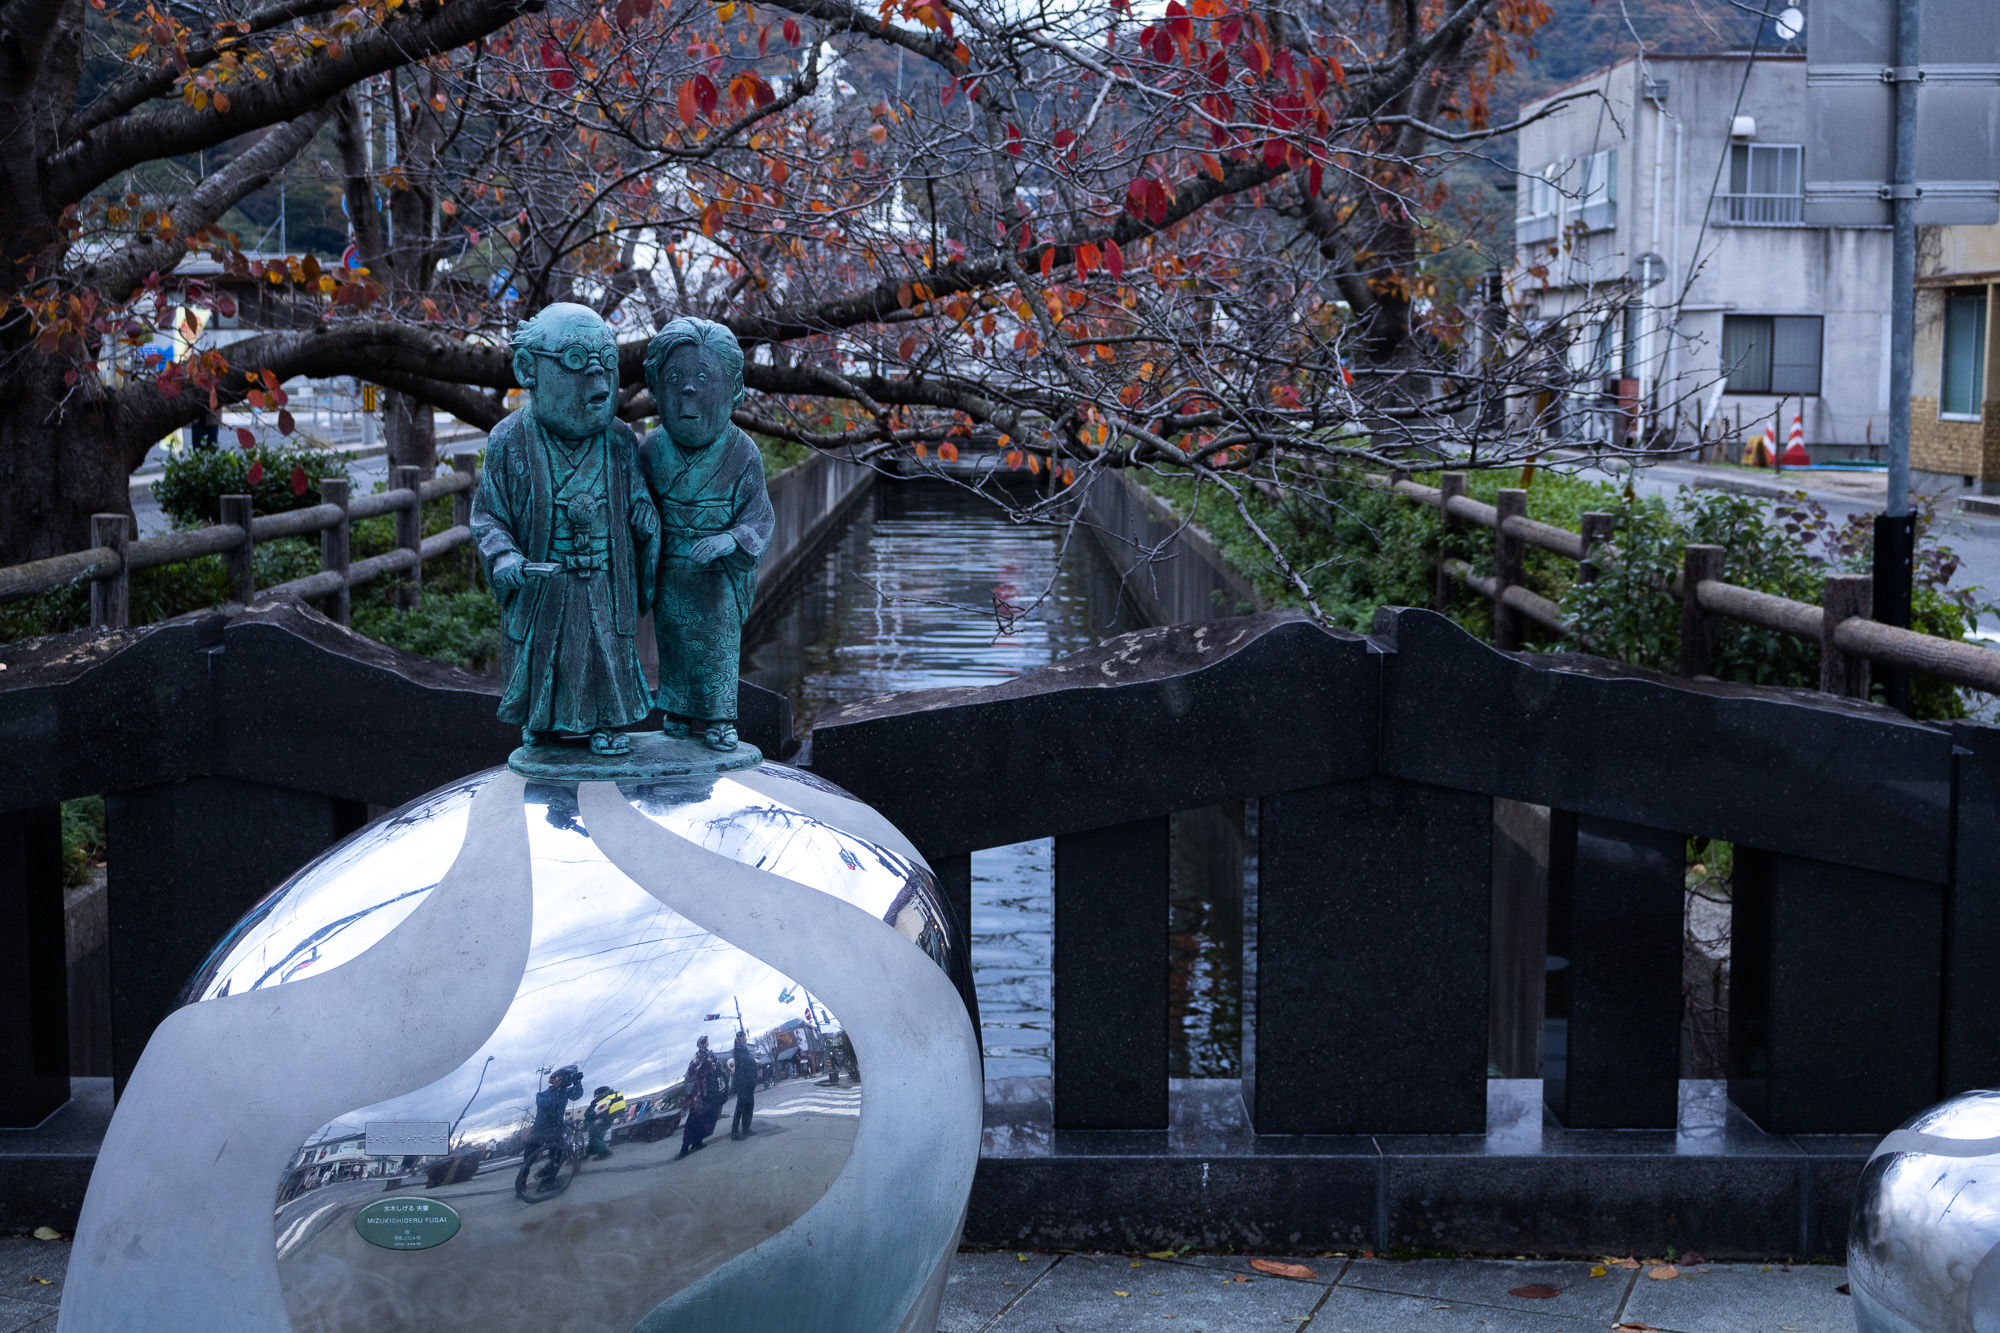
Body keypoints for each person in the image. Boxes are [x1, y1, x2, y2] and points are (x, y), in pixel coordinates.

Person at [472, 302, 660, 757]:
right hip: (545, 578)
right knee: (546, 650)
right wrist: (504, 556)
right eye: (576, 361)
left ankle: (607, 722)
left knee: (605, 650)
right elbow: (488, 515)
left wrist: (644, 516)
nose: (598, 380)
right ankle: (540, 724)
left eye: (607, 363)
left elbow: (637, 494)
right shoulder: (509, 440)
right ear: (528, 369)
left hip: (603, 574)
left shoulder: (619, 440)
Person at [639, 318, 775, 753]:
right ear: (654, 387)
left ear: (734, 390)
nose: (688, 391)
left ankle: (718, 717)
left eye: (703, 378)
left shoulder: (742, 451)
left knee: (717, 647)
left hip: (717, 577)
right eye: (674, 379)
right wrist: (643, 520)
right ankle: (676, 712)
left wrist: (729, 540)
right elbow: (636, 502)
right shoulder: (650, 449)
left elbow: (759, 516)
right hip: (670, 570)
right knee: (673, 646)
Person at [528, 1066, 583, 1189]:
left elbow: (577, 1095)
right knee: (529, 1159)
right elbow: (547, 1104)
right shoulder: (542, 1095)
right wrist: (561, 1092)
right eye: (560, 1076)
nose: (563, 1079)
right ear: (552, 1081)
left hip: (556, 1128)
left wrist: (577, 1082)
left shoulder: (565, 1091)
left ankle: (548, 1179)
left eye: (565, 1076)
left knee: (559, 1154)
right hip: (541, 1129)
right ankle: (521, 1185)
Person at [677, 1035, 722, 1159]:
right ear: (702, 1043)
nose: (708, 1042)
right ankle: (685, 1147)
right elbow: (694, 1072)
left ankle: (697, 1142)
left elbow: (714, 1070)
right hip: (698, 1094)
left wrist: (714, 1061)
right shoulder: (697, 1057)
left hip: (708, 1092)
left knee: (705, 1117)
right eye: (706, 1041)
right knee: (693, 1119)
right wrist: (707, 1061)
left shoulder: (709, 1054)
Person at [729, 1032, 758, 1139]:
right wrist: (754, 1060)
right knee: (741, 1106)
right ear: (740, 1037)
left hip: (748, 1081)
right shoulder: (739, 1049)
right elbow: (745, 1061)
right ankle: (735, 1132)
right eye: (744, 1036)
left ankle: (746, 1129)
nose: (746, 1038)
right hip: (743, 1082)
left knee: (749, 1105)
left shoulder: (743, 1048)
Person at [585, 1085, 624, 1160]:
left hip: (600, 1120)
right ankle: (589, 1152)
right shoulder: (613, 1098)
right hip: (609, 1118)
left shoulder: (600, 1099)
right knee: (596, 1136)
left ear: (599, 1093)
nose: (595, 1097)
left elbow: (588, 1113)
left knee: (596, 1136)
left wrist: (590, 1116)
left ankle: (605, 1152)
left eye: (596, 1096)